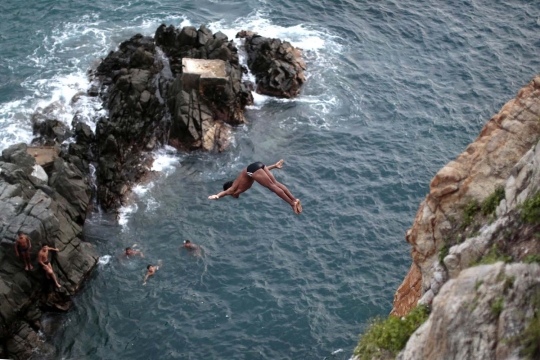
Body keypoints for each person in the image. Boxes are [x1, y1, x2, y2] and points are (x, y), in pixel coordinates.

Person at [208, 159, 302, 214]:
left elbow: (225, 193)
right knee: (276, 184)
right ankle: (294, 199)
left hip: (252, 170)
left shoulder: (233, 189)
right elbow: (260, 173)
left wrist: (217, 196)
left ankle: (291, 203)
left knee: (272, 186)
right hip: (257, 166)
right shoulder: (242, 182)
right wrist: (274, 166)